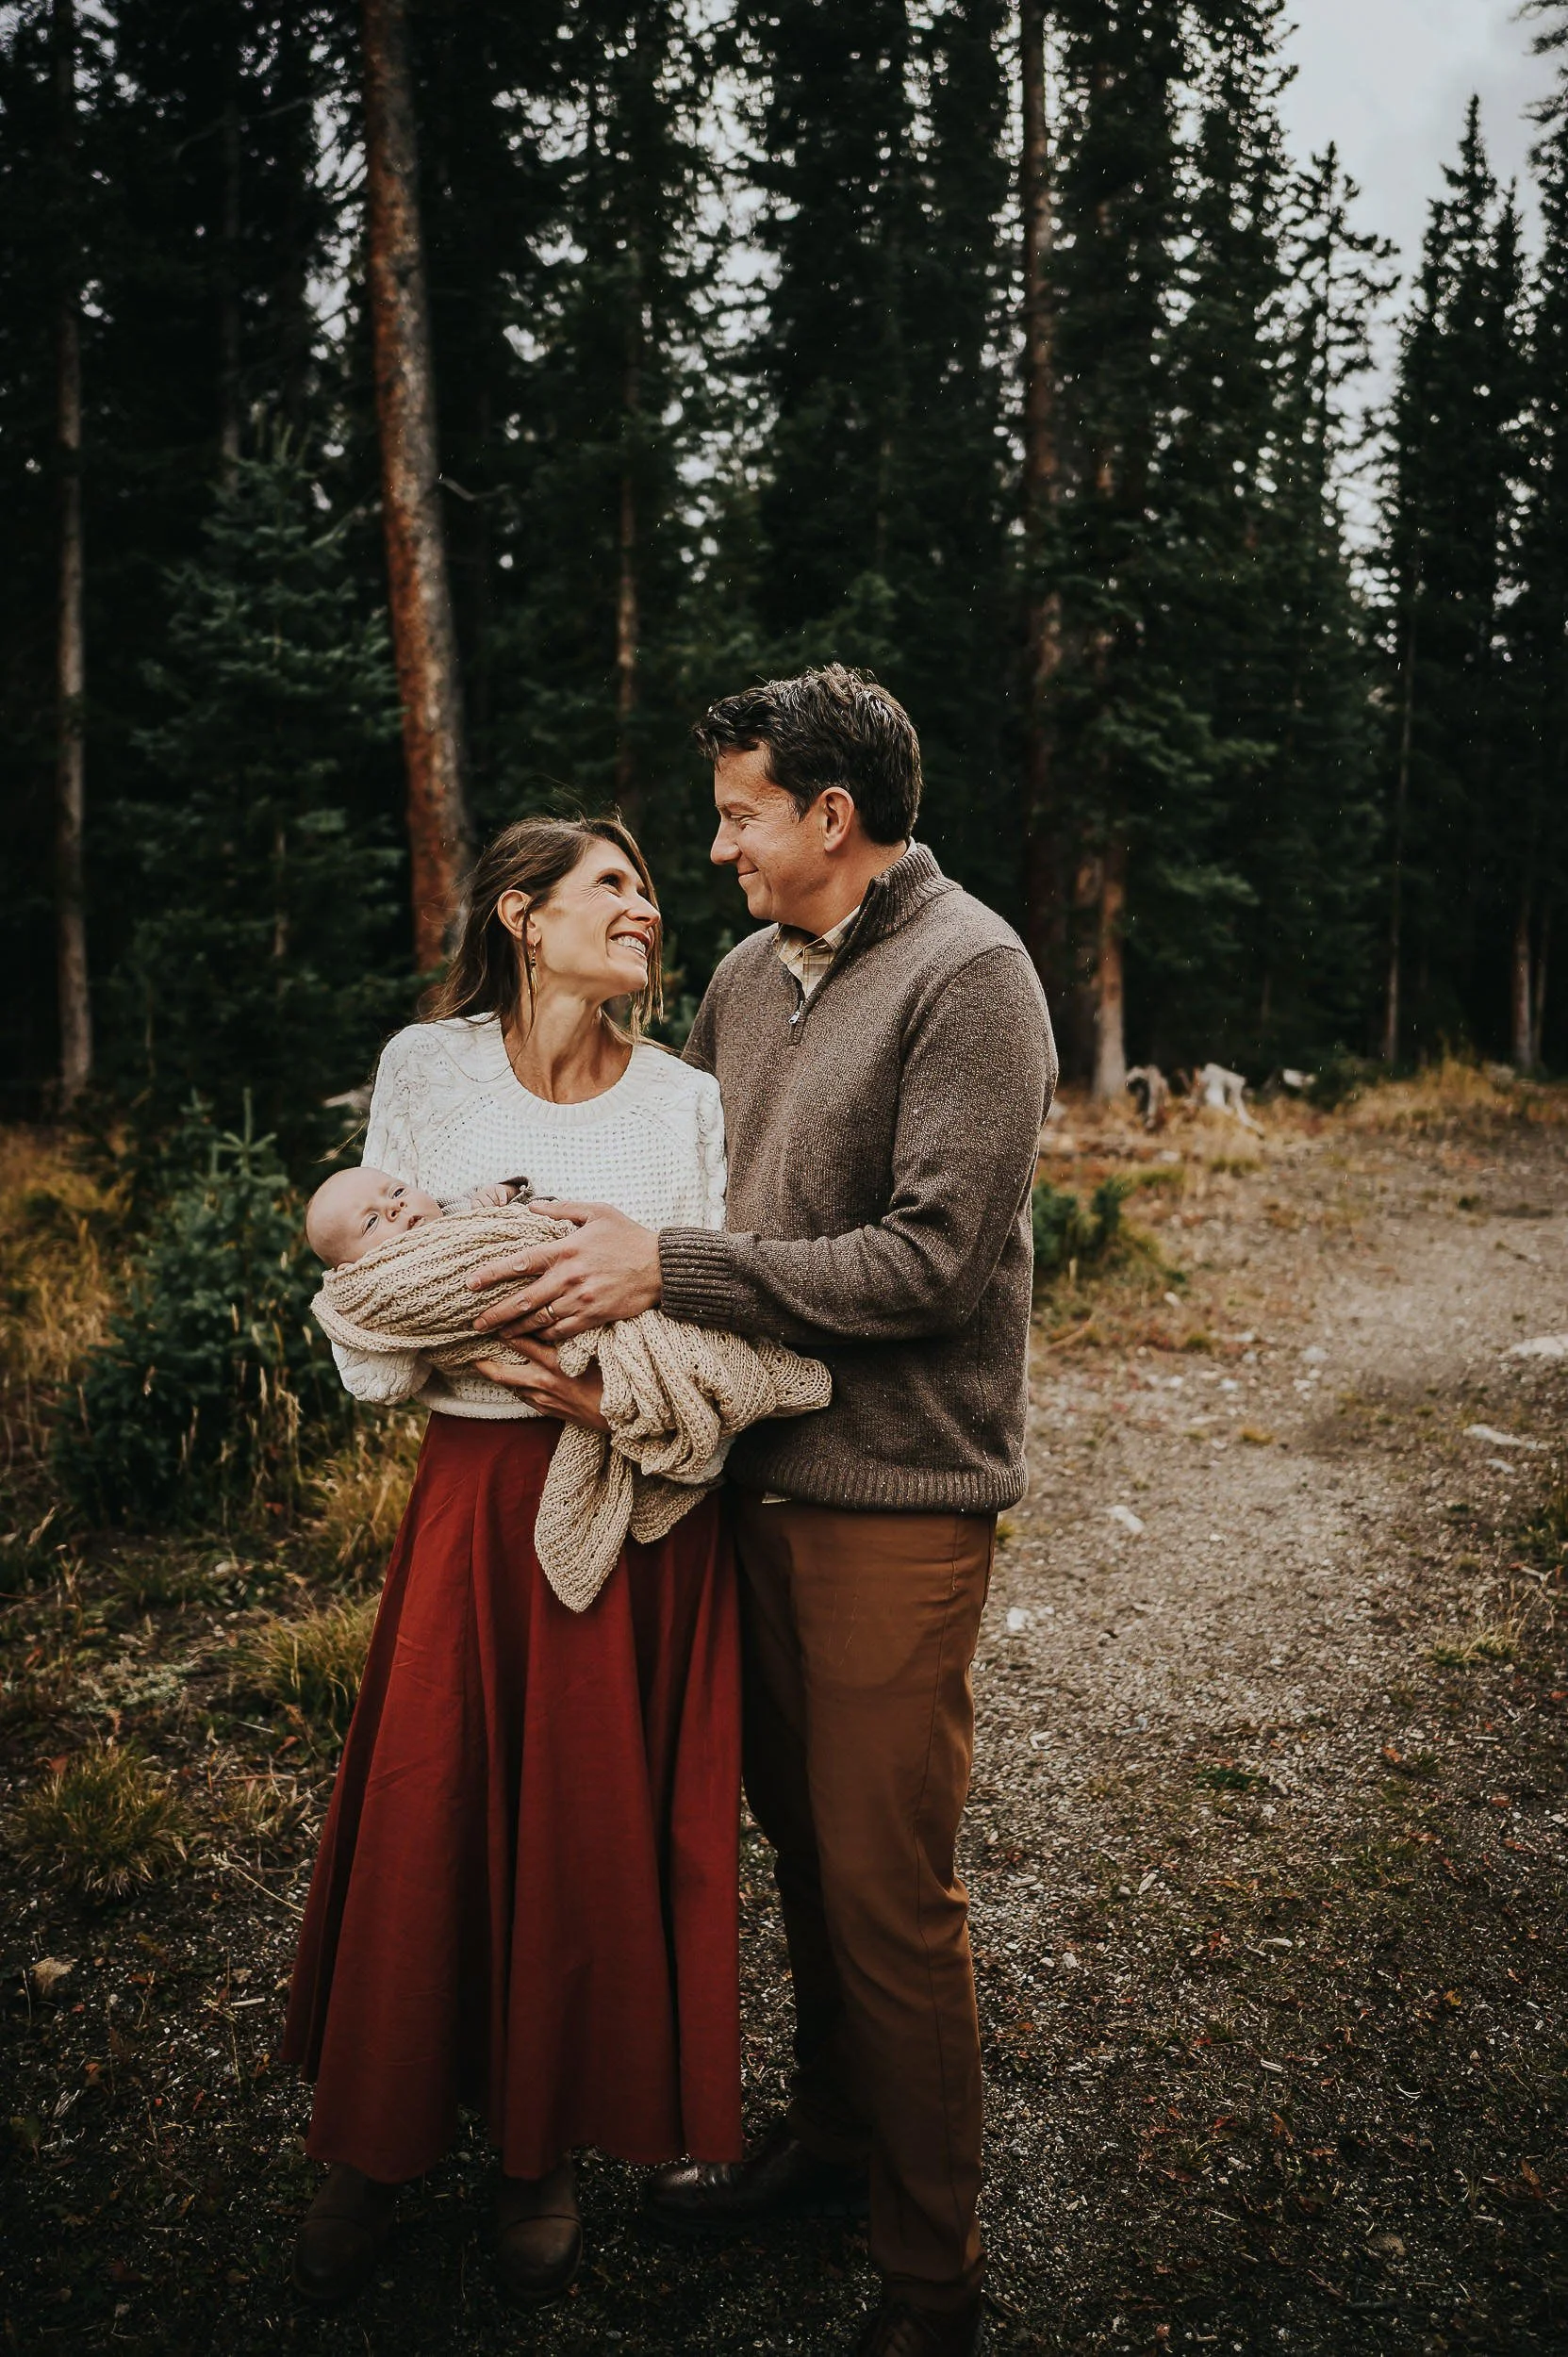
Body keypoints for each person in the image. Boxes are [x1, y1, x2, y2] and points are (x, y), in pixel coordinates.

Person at [467, 665, 1058, 2357]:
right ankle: (835, 2141)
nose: (712, 848)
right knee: (799, 1852)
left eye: (735, 814)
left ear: (828, 814)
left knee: (888, 1889)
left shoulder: (975, 972)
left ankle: (929, 2279)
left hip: (895, 1502)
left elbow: (934, 1263)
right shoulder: (739, 974)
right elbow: (675, 1179)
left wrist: (682, 1267)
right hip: (734, 1481)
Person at [280, 816, 743, 2310]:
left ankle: (537, 2157)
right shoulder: (427, 1070)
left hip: (628, 1491)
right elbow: (366, 1275)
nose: (647, 908)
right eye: (614, 884)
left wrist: (626, 1391)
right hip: (473, 1493)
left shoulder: (687, 1101)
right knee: (437, 1799)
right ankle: (376, 2140)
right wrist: (458, 1292)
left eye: (652, 889)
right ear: (521, 916)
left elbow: (721, 1317)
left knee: (580, 1825)